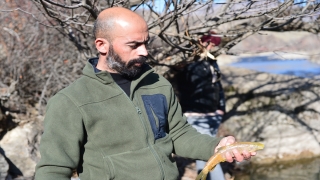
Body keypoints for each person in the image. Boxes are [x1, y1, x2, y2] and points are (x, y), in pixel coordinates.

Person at [35, 7, 255, 180]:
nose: (144, 52)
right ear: (102, 45)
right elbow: (53, 170)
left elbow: (178, 134)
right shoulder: (70, 102)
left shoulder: (157, 83)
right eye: (134, 45)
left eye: (146, 43)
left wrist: (215, 147)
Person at [176, 31, 226, 180]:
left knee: (207, 152)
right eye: (209, 43)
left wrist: (221, 108)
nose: (211, 47)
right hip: (196, 114)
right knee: (207, 153)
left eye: (214, 45)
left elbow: (218, 86)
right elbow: (184, 88)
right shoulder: (188, 63)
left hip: (213, 114)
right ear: (201, 42)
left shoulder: (212, 62)